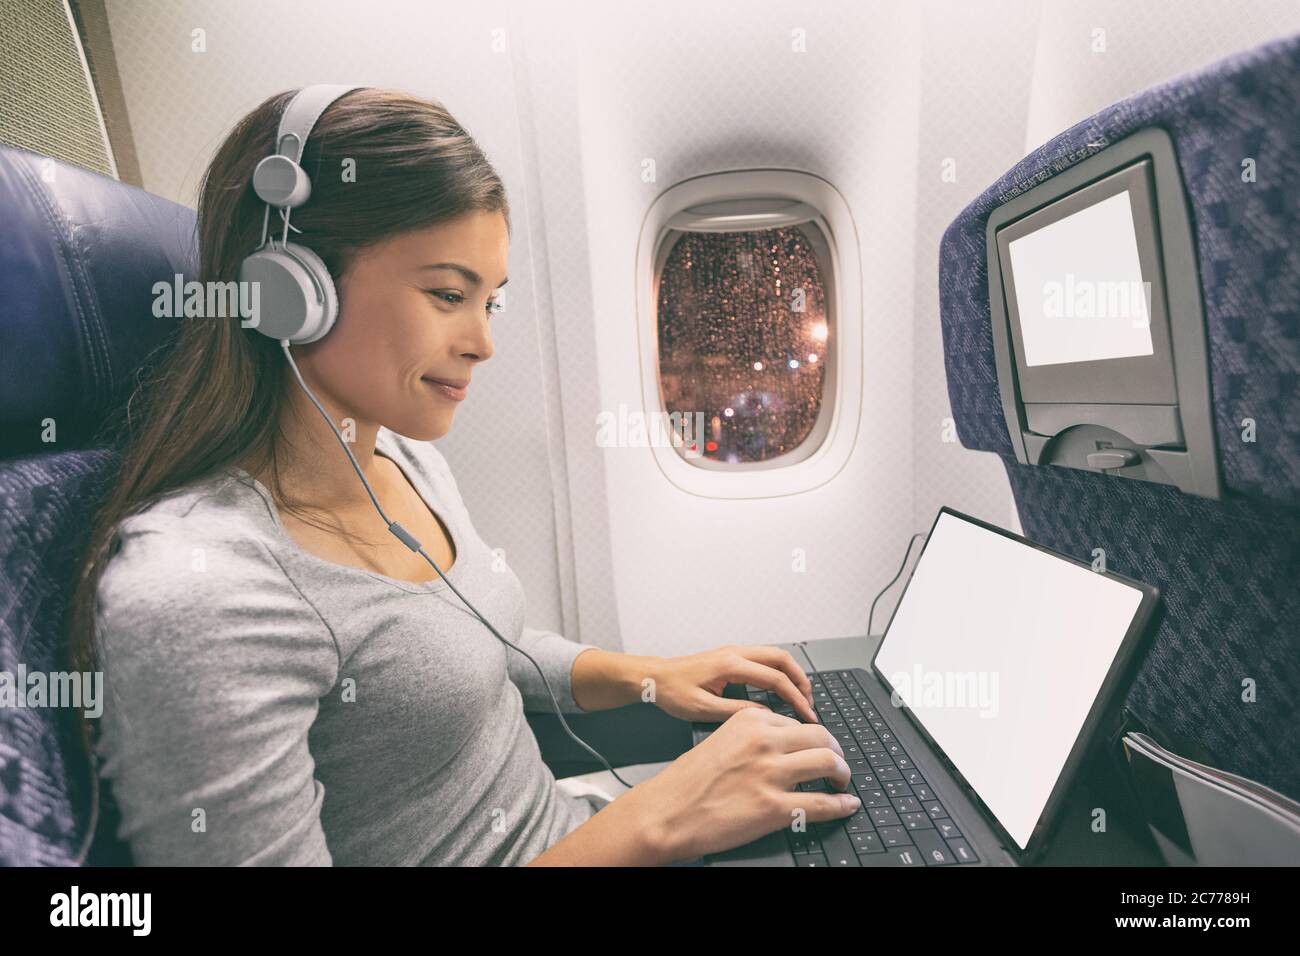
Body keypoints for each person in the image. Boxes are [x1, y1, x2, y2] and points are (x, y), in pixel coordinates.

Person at [70, 87, 860, 866]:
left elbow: (477, 652)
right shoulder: (203, 596)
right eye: (448, 294)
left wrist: (651, 676)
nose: (482, 342)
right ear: (288, 291)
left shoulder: (403, 461)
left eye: (491, 302)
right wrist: (656, 821)